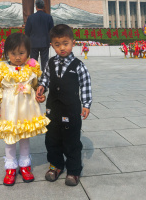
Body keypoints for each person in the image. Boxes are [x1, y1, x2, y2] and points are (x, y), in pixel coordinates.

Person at [0, 32, 50, 186]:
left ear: (28, 53)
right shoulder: (2, 69)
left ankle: (25, 165)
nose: (17, 57)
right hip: (9, 109)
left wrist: (40, 96)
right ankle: (10, 167)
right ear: (7, 53)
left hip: (26, 108)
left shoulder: (31, 69)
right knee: (10, 138)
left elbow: (36, 88)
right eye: (13, 53)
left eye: (21, 53)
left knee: (24, 137)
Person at [35, 24, 92, 187]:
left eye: (65, 43)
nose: (62, 48)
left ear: (73, 43)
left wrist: (86, 104)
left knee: (72, 140)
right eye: (57, 44)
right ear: (51, 45)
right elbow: (45, 78)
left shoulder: (78, 65)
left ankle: (73, 170)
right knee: (52, 138)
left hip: (71, 109)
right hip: (52, 108)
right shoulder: (50, 63)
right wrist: (42, 87)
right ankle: (56, 165)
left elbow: (85, 84)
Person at [25, 0, 54, 71]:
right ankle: (45, 78)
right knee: (45, 62)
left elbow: (27, 31)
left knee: (33, 62)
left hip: (33, 43)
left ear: (36, 6)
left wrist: (29, 40)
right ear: (43, 6)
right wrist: (50, 41)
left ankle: (34, 78)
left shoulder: (31, 17)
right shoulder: (49, 17)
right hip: (45, 42)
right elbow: (52, 30)